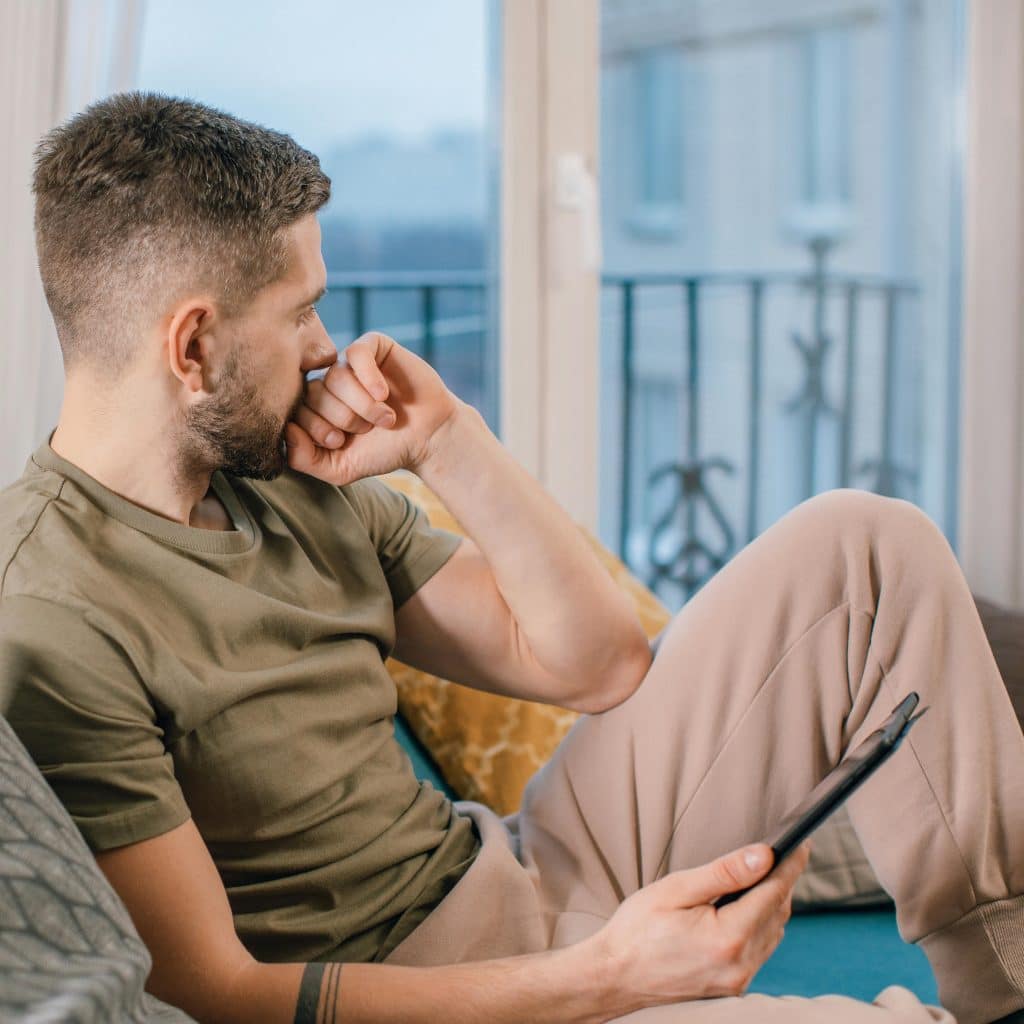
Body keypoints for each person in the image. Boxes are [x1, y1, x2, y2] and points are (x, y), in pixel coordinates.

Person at [0, 91, 1021, 1024]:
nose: (325, 346)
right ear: (192, 347)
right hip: (450, 1002)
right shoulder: (51, 617)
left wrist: (449, 439)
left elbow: (597, 665)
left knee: (867, 547)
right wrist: (610, 977)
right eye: (300, 309)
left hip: (528, 878)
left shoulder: (287, 482)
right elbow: (216, 994)